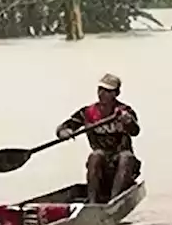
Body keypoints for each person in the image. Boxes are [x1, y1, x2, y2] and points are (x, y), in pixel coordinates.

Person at [56, 74, 141, 204]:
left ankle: (114, 201)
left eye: (107, 91)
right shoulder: (87, 112)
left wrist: (128, 122)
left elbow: (135, 131)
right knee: (96, 155)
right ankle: (92, 202)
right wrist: (64, 132)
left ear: (116, 93)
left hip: (122, 161)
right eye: (100, 89)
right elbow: (65, 126)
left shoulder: (125, 111)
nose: (102, 93)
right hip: (101, 162)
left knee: (126, 157)